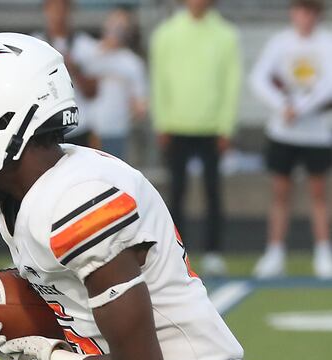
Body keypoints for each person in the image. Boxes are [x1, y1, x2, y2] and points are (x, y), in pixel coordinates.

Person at [0, 32, 282, 360]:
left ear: (2, 121)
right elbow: (76, 299)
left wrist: (45, 356)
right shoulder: (36, 192)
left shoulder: (76, 201)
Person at [150, 0, 241, 276]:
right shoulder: (166, 33)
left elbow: (231, 82)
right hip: (176, 126)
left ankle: (214, 252)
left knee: (213, 192)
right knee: (176, 192)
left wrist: (226, 126)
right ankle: (176, 253)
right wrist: (162, 122)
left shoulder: (226, 35)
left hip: (212, 128)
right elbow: (159, 80)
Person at [250, 0, 332, 279]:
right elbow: (259, 78)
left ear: (317, 15)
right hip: (283, 131)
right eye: (300, 11)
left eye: (310, 12)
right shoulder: (280, 42)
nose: (304, 17)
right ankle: (275, 253)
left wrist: (301, 108)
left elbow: (328, 84)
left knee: (318, 192)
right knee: (280, 192)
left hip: (317, 132)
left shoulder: (326, 42)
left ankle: (323, 252)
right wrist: (282, 105)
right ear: (292, 13)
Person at [85, 7, 148, 161]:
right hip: (89, 129)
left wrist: (132, 112)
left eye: (121, 27)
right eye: (113, 25)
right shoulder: (89, 52)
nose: (116, 31)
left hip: (118, 131)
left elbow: (141, 103)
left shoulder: (132, 63)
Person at [33, 0, 98, 147]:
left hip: (79, 126)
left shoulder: (86, 46)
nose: (58, 14)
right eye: (53, 8)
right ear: (45, 10)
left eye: (62, 8)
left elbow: (93, 92)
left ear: (70, 10)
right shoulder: (35, 44)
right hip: (46, 126)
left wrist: (73, 68)